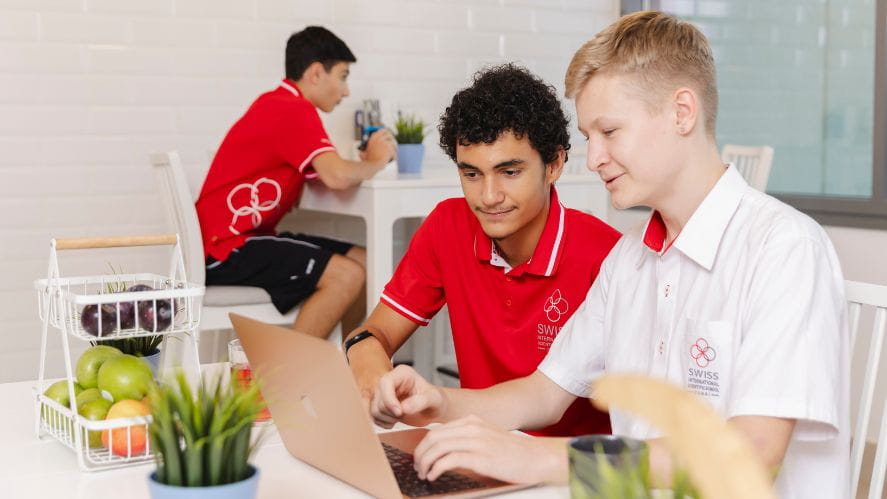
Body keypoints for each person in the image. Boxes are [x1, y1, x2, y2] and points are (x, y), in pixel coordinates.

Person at [369, 11, 849, 498]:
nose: (593, 157)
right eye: (588, 138)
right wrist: (438, 404)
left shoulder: (784, 248)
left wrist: (542, 457)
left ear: (682, 112)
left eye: (610, 132)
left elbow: (751, 452)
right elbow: (543, 394)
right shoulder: (629, 262)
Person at [343, 64, 621, 437]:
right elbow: (373, 332)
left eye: (509, 172)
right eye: (471, 174)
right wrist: (372, 377)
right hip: (473, 447)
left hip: (565, 470)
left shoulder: (606, 257)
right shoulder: (447, 226)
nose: (488, 197)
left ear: (554, 165)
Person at [195, 26, 397, 339]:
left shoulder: (278, 104)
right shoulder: (292, 109)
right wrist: (377, 161)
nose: (346, 91)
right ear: (316, 72)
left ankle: (348, 364)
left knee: (366, 262)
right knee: (347, 275)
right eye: (343, 76)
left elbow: (328, 174)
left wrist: (356, 166)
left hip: (233, 242)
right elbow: (337, 175)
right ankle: (288, 379)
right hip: (226, 248)